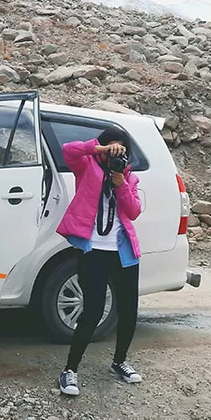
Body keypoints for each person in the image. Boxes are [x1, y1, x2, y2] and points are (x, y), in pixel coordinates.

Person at [55, 127, 143, 396]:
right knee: (92, 310)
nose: (115, 155)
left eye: (120, 151)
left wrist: (121, 184)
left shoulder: (129, 177)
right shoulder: (86, 167)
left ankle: (119, 362)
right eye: (111, 149)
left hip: (123, 251)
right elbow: (69, 150)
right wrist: (100, 149)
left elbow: (134, 211)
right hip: (94, 249)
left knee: (128, 310)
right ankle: (70, 370)